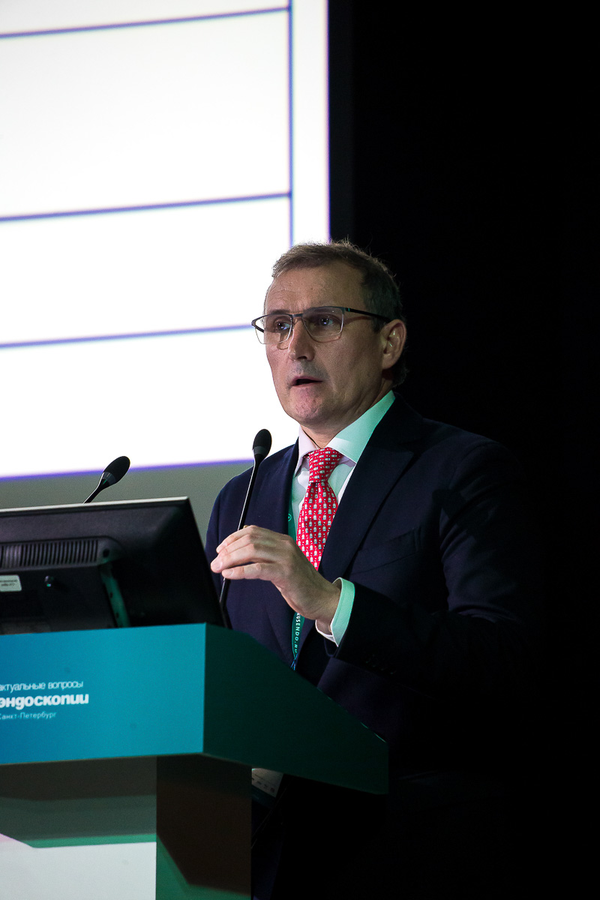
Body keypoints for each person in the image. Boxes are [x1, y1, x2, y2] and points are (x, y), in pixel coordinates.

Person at [207, 241, 542, 899]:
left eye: (324, 321)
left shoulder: (462, 471)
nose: (296, 345)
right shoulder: (241, 497)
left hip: (413, 848)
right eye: (278, 325)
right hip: (268, 858)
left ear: (389, 342)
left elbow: (501, 657)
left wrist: (333, 604)